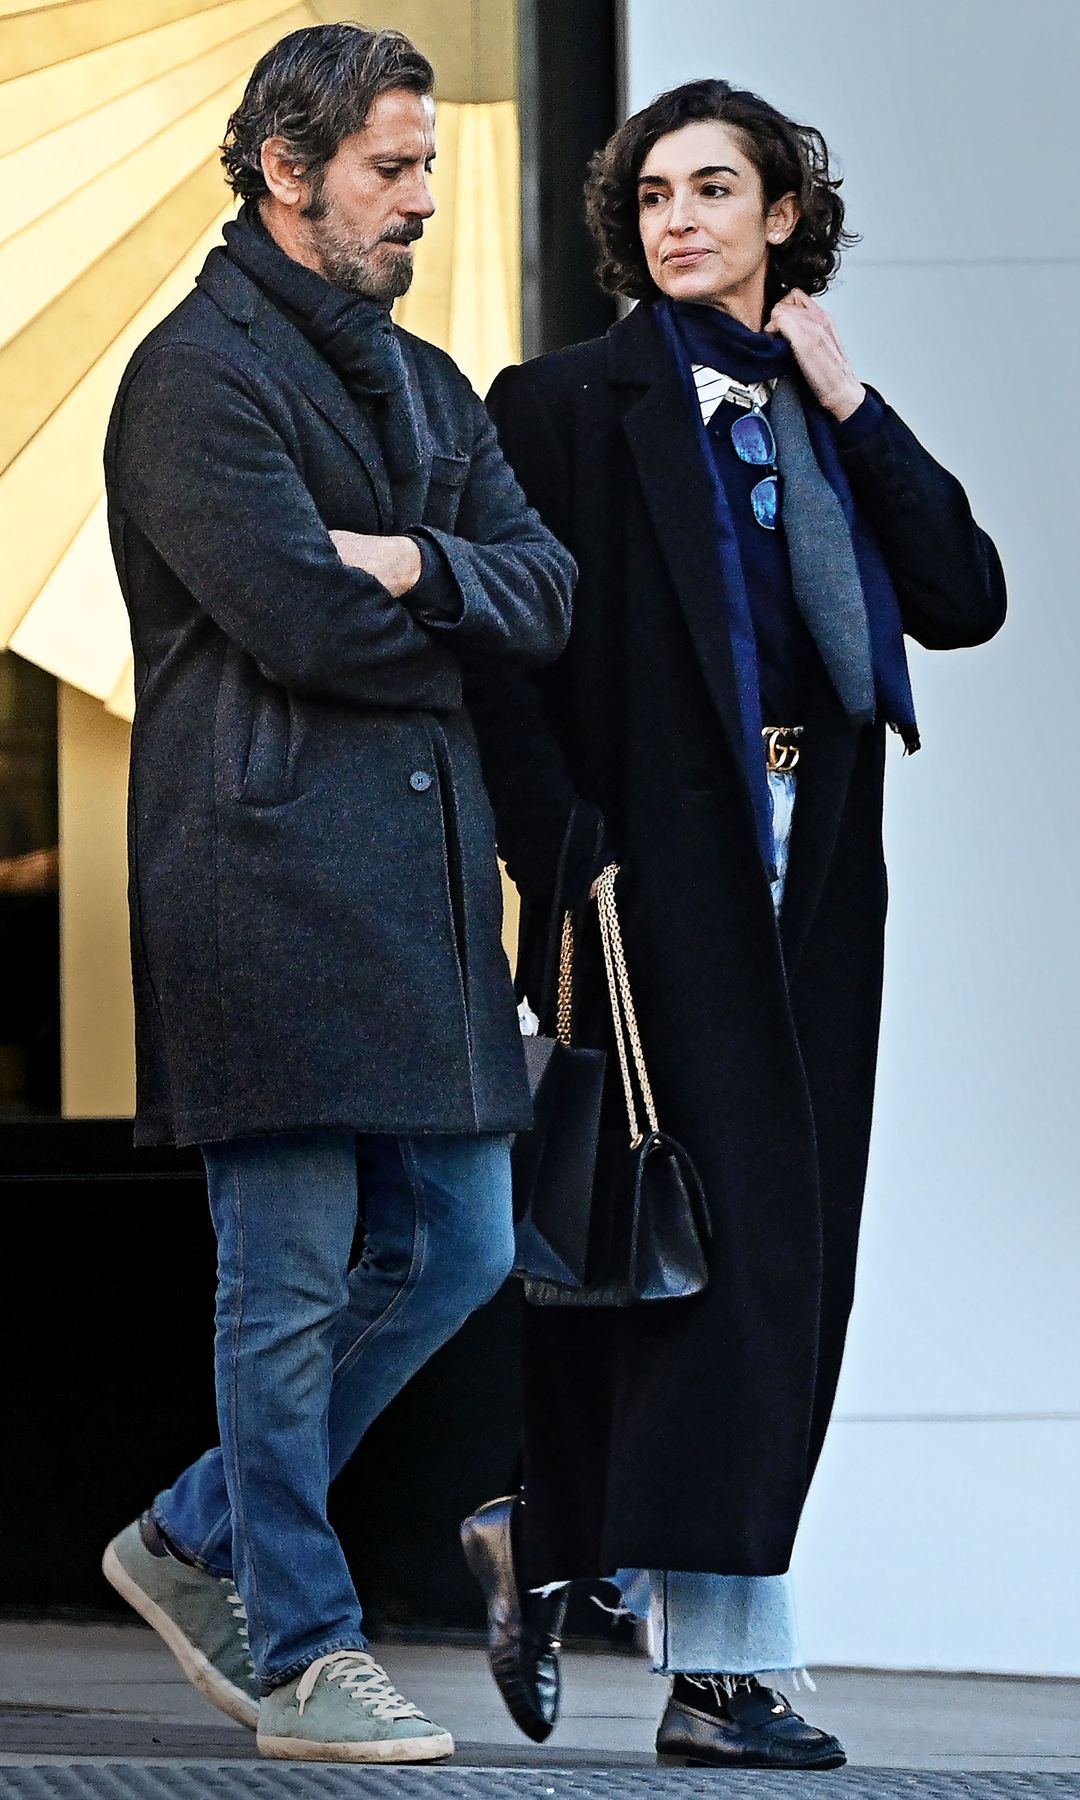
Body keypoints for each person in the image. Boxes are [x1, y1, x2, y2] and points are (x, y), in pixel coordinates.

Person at [458, 78, 1006, 1770]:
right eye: (651, 197)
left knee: (761, 1251)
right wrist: (573, 866)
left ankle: (547, 1536)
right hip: (655, 878)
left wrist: (856, 400)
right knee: (713, 1249)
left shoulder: (815, 405)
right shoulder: (558, 406)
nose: (678, 218)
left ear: (783, 218)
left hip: (815, 873)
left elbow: (964, 598)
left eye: (716, 190)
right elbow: (504, 659)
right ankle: (726, 1669)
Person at [99, 22, 573, 1767]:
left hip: (429, 900)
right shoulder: (195, 382)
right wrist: (445, 599)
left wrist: (421, 564)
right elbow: (304, 620)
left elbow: (551, 590)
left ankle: (194, 1528)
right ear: (286, 171)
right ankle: (302, 1649)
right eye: (393, 167)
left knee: (455, 1248)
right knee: (283, 1284)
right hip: (263, 886)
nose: (423, 199)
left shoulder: (433, 383)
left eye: (429, 166)